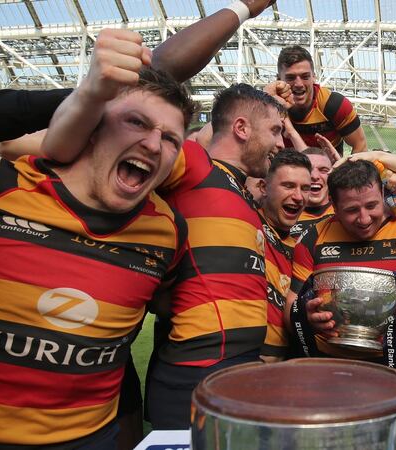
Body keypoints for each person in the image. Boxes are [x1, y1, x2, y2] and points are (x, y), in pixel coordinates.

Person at [0, 29, 193, 448]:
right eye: (136, 122)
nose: (153, 144)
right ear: (92, 129)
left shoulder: (168, 231)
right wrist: (85, 93)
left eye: (170, 138)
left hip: (88, 440)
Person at [141, 83, 285, 429]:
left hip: (237, 368)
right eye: (275, 131)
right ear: (241, 128)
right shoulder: (196, 166)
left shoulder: (242, 194)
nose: (281, 144)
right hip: (197, 374)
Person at [286, 156, 396, 376]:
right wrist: (307, 317)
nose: (364, 219)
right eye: (352, 210)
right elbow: (291, 305)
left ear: (382, 194)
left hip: (393, 365)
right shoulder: (312, 238)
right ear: (333, 205)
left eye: (372, 206)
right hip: (325, 366)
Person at [257, 149, 312, 360]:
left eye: (306, 188)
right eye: (288, 186)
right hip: (240, 360)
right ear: (263, 187)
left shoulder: (301, 248)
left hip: (284, 364)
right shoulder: (246, 223)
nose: (298, 197)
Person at [265, 45, 367, 155]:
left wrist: (345, 172)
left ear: (314, 77)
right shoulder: (269, 107)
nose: (298, 84)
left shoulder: (334, 105)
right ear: (278, 79)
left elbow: (360, 145)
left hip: (329, 170)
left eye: (305, 77)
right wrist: (266, 101)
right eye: (291, 78)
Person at [290, 147, 335, 240]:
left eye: (323, 170)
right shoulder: (283, 214)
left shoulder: (345, 210)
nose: (314, 176)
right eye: (308, 170)